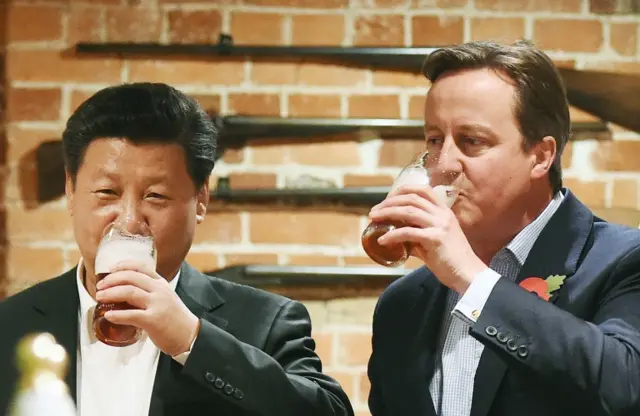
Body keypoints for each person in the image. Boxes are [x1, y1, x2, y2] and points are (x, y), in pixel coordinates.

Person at [0, 82, 354, 416]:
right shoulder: (11, 323)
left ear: (200, 201)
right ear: (71, 191)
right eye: (107, 192)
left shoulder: (266, 323)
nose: (128, 221)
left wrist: (192, 340)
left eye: (155, 196)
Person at [366, 40, 640, 416]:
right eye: (434, 140)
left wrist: (473, 281)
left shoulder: (623, 261)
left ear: (541, 156)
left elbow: (624, 388)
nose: (443, 163)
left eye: (471, 141)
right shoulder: (402, 302)